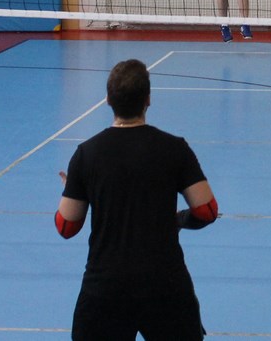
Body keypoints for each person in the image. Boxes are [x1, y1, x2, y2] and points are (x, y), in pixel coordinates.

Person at [56, 59, 218, 340]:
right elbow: (207, 210)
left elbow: (66, 226)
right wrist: (178, 219)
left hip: (105, 286)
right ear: (148, 100)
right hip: (165, 284)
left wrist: (78, 188)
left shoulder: (86, 155)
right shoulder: (174, 148)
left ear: (108, 100)